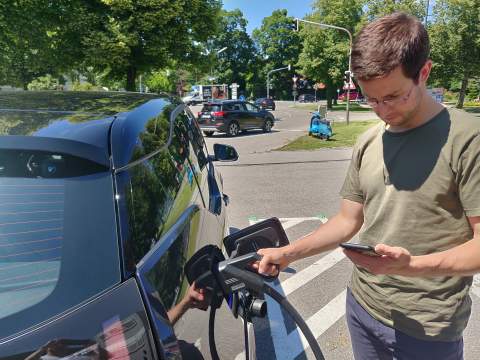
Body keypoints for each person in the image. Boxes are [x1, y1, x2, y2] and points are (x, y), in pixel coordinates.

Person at [256, 12, 480, 360]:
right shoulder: (368, 140)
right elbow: (348, 221)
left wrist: (411, 267)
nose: (381, 110)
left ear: (424, 73)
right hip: (362, 307)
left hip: (428, 327)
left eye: (392, 97)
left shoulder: (467, 138)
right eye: (370, 99)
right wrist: (287, 254)